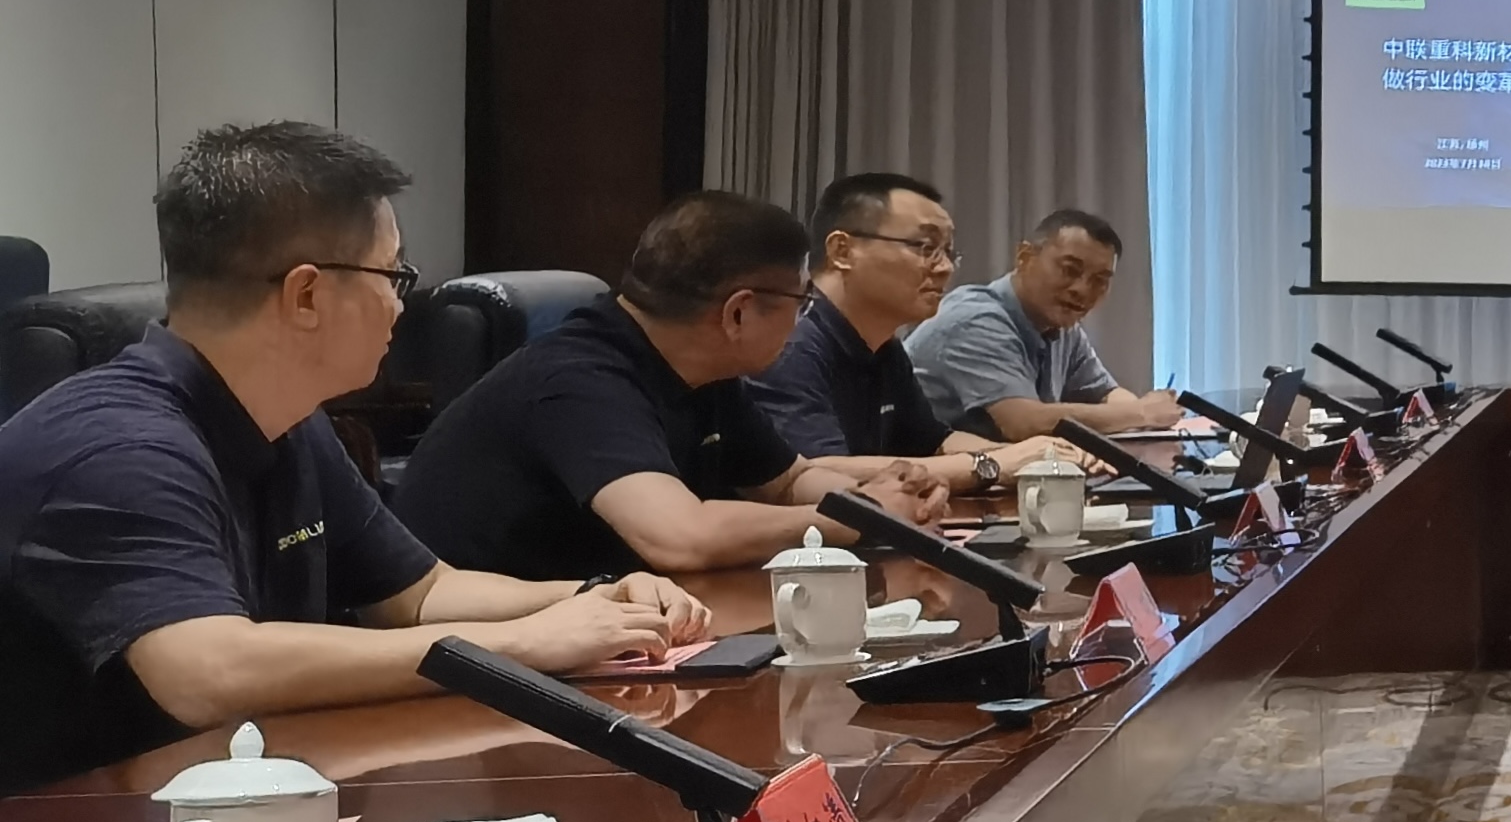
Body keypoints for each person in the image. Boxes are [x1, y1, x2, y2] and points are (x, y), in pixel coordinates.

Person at [0, 124, 707, 793]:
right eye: (392, 275)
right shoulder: (120, 447)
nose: (401, 305)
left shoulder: (287, 419)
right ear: (307, 293)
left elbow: (420, 595)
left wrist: (594, 598)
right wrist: (522, 644)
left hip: (226, 796)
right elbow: (206, 672)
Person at [399, 192, 942, 582]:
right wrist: (857, 517)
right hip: (480, 657)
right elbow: (680, 537)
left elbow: (786, 481)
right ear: (738, 312)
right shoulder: (579, 378)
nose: (803, 321)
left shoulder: (704, 372)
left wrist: (885, 495)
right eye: (802, 303)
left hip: (603, 626)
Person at [748, 172, 1074, 497]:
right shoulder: (790, 340)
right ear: (842, 251)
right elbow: (811, 472)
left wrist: (1037, 457)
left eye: (948, 252)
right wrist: (991, 465)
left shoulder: (884, 346)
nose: (945, 268)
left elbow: (932, 441)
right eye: (926, 247)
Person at [908, 208, 1187, 443]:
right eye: (1070, 270)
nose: (1082, 289)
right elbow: (1023, 423)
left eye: (1100, 280)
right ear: (1024, 257)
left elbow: (1104, 394)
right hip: (921, 479)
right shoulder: (975, 319)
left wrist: (1146, 416)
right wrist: (1141, 413)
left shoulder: (1061, 324)